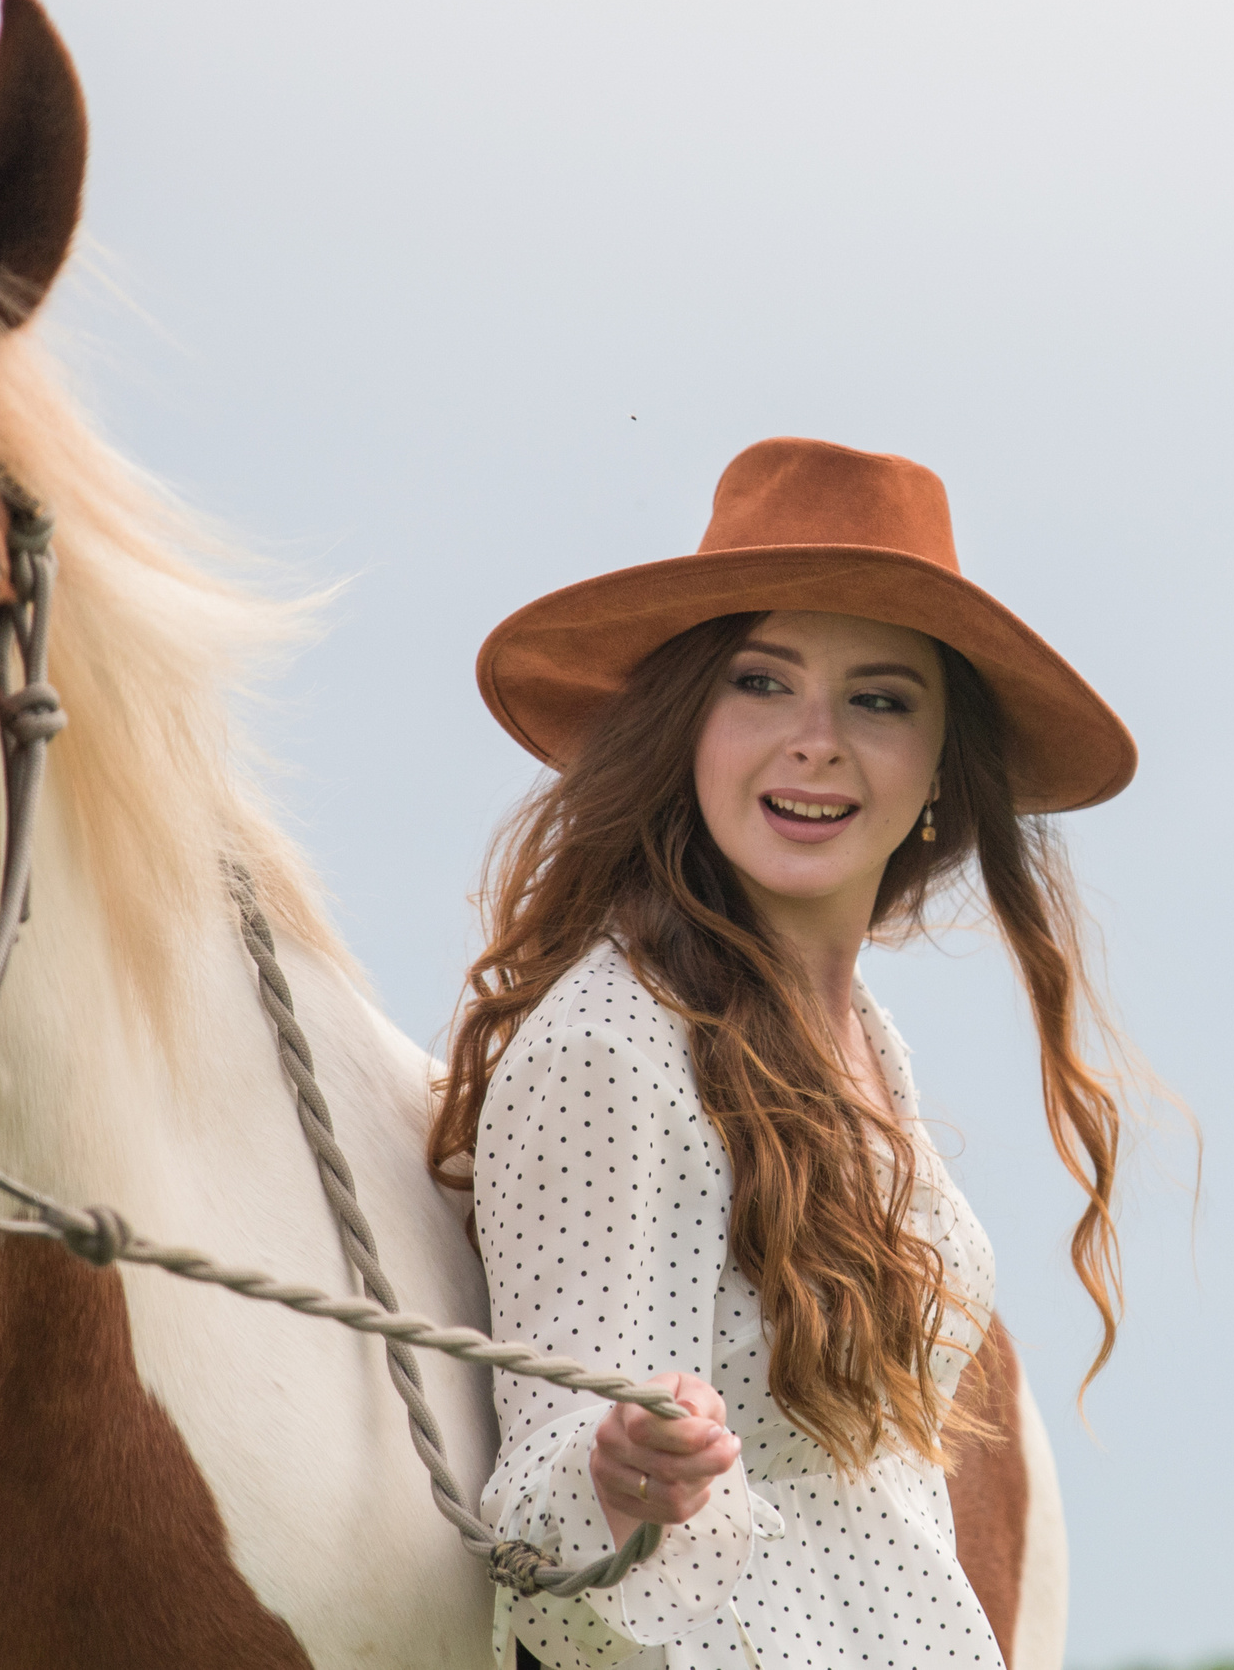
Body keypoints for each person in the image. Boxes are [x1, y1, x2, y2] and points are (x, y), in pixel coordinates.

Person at [431, 438, 1139, 1668]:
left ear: (934, 774)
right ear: (685, 725)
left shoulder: (867, 1048)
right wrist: (627, 1480)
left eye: (877, 699)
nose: (815, 741)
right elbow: (547, 1547)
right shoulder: (614, 1045)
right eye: (761, 684)